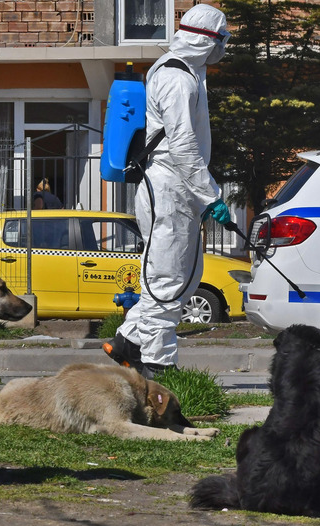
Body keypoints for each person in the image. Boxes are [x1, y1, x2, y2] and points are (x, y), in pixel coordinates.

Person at [103, 4, 232, 378]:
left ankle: (128, 341)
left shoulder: (185, 72)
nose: (222, 48)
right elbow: (183, 145)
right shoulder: (178, 78)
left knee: (185, 276)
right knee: (167, 278)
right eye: (221, 40)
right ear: (207, 40)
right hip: (170, 187)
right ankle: (158, 366)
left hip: (175, 189)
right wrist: (211, 196)